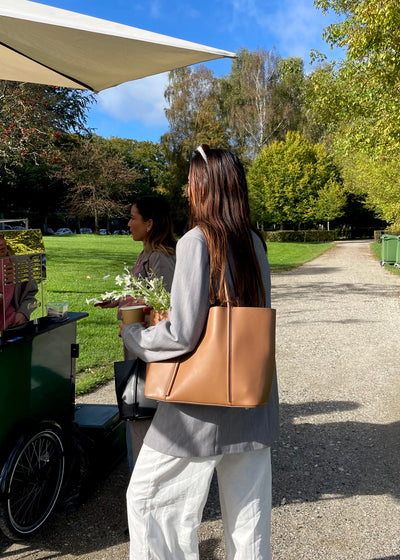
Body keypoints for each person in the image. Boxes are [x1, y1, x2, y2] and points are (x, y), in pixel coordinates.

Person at [120, 145, 279, 559]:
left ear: (205, 186)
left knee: (150, 500)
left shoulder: (197, 241)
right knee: (249, 518)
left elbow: (181, 335)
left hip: (200, 407)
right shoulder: (254, 242)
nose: (186, 189)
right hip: (250, 396)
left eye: (190, 181)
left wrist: (135, 335)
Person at [99, 196, 176, 470]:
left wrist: (134, 320)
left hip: (149, 355)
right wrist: (121, 299)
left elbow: (167, 310)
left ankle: (147, 485)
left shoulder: (160, 258)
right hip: (139, 348)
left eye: (134, 218)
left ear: (150, 223)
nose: (129, 223)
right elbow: (144, 297)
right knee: (138, 414)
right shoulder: (147, 253)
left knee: (144, 415)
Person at [0, 232, 38, 330]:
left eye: (1, 237)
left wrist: (23, 313)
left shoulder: (19, 263)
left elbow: (31, 294)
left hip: (12, 327)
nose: (1, 243)